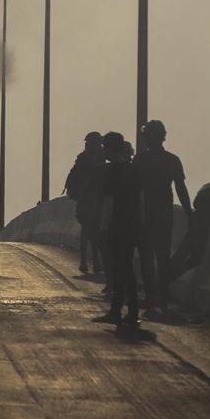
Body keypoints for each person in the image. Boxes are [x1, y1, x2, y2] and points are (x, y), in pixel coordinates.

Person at [132, 120, 192, 311]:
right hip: (164, 214)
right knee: (163, 256)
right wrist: (189, 212)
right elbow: (181, 188)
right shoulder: (172, 159)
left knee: (147, 257)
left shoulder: (140, 160)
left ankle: (151, 296)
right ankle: (163, 299)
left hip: (144, 215)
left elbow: (133, 189)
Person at [93, 133, 140, 326]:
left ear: (110, 147)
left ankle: (118, 311)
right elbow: (140, 198)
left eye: (105, 146)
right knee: (126, 269)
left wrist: (103, 227)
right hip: (130, 225)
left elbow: (109, 203)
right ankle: (129, 311)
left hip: (116, 226)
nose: (103, 149)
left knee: (120, 269)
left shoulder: (112, 171)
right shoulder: (130, 168)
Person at [65, 132, 106, 275]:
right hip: (93, 199)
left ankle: (84, 261)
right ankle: (94, 261)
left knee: (87, 230)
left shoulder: (82, 157)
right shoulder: (99, 157)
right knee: (94, 230)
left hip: (84, 199)